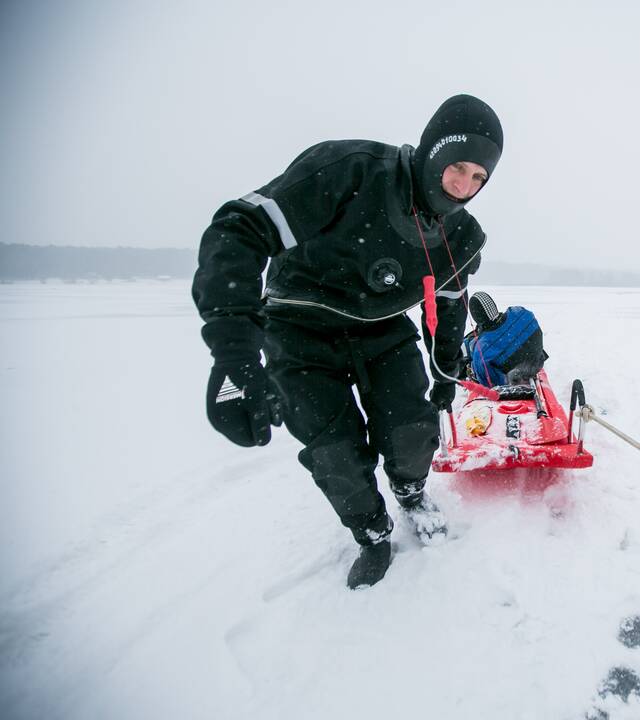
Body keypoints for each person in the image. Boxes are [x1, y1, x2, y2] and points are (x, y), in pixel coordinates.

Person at [191, 94, 502, 589]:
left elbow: (447, 310)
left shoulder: (459, 236)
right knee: (334, 451)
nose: (463, 187)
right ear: (431, 151)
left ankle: (410, 492)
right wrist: (234, 353)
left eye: (479, 178)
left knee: (410, 428)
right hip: (297, 326)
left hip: (380, 327)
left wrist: (445, 376)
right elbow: (238, 229)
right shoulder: (351, 171)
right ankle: (372, 534)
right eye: (457, 167)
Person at [465, 291, 547, 387]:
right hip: (536, 363)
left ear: (477, 318)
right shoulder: (521, 312)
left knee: (472, 350)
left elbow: (488, 383)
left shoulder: (482, 349)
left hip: (511, 381)